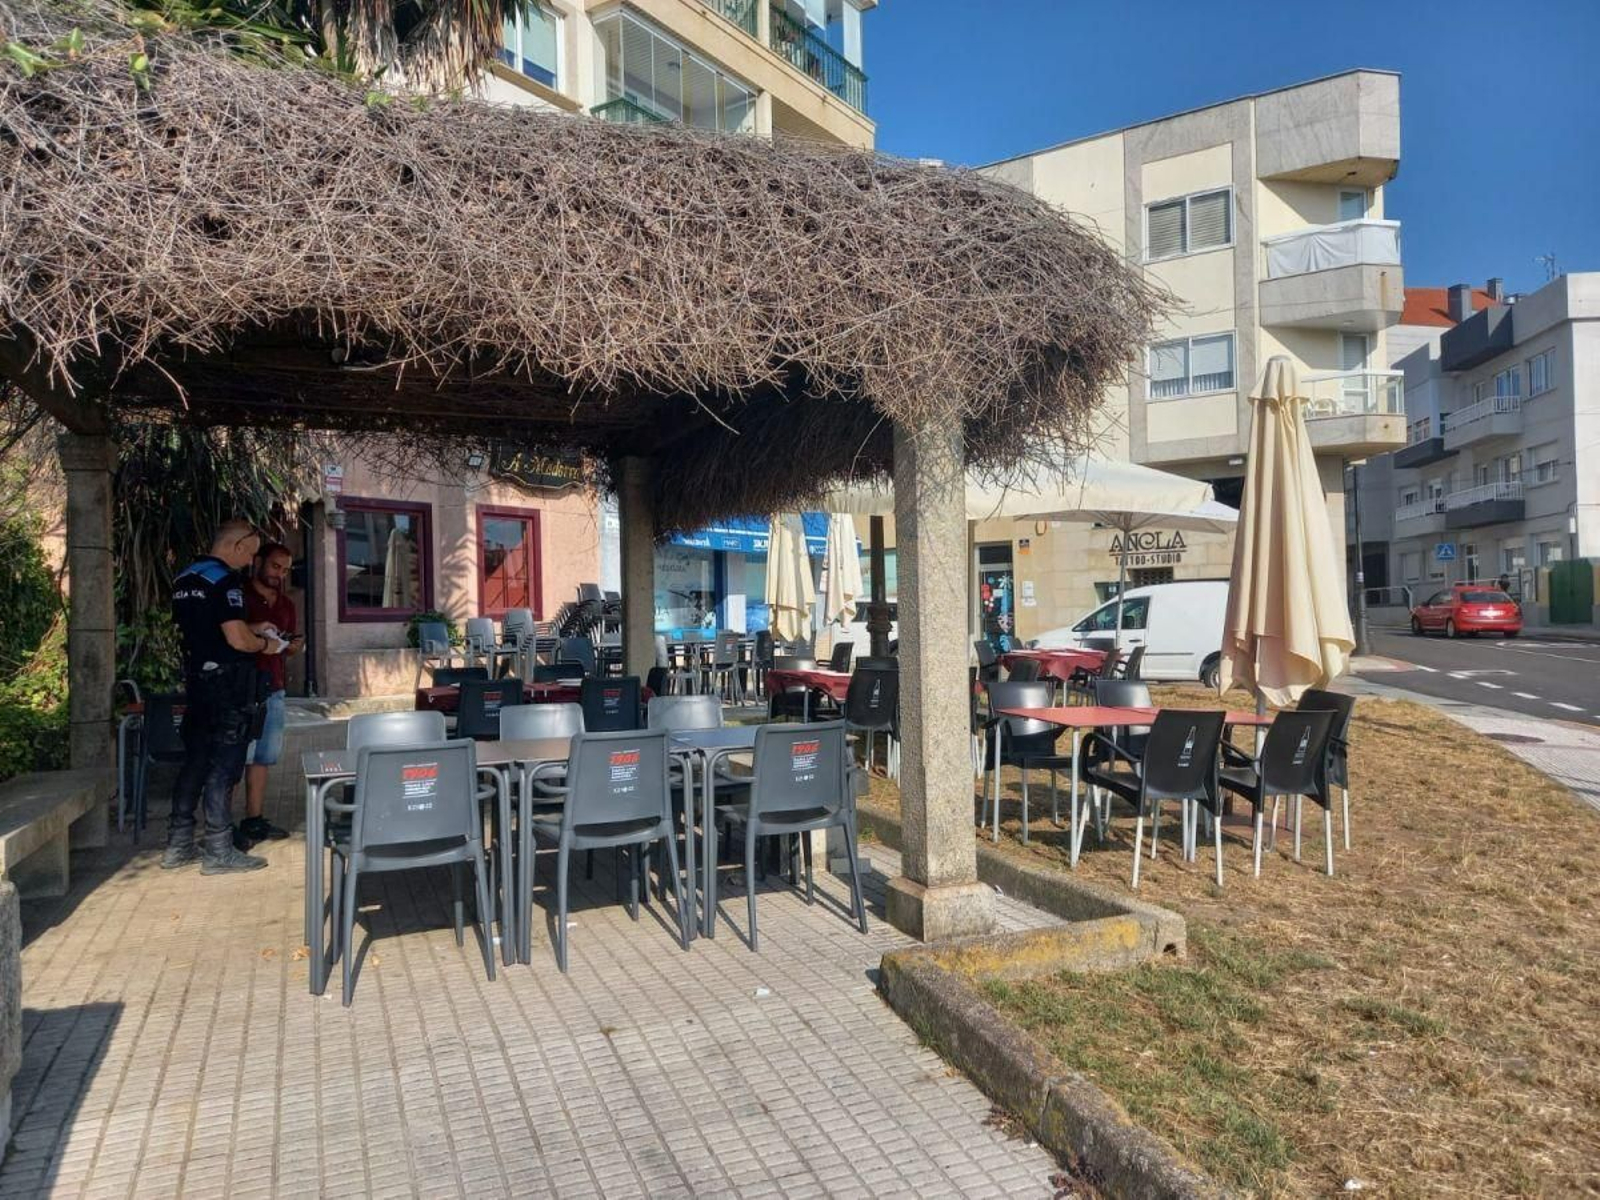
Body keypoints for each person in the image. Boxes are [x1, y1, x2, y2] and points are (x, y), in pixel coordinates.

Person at [163, 519, 289, 874]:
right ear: (237, 546)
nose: (249, 562)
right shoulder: (225, 580)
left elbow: (211, 628)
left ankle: (178, 844)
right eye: (249, 554)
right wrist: (265, 644)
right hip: (227, 686)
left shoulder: (186, 578)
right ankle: (219, 849)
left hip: (197, 682)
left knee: (195, 762)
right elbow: (236, 639)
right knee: (225, 765)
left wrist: (253, 627)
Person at [236, 541, 300, 850]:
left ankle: (254, 819)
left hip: (273, 687)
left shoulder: (287, 604)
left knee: (263, 757)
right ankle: (219, 827)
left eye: (285, 570)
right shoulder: (238, 595)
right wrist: (255, 629)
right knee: (234, 757)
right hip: (240, 687)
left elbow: (290, 641)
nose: (279, 574)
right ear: (258, 561)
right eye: (275, 566)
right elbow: (226, 631)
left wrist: (295, 645)